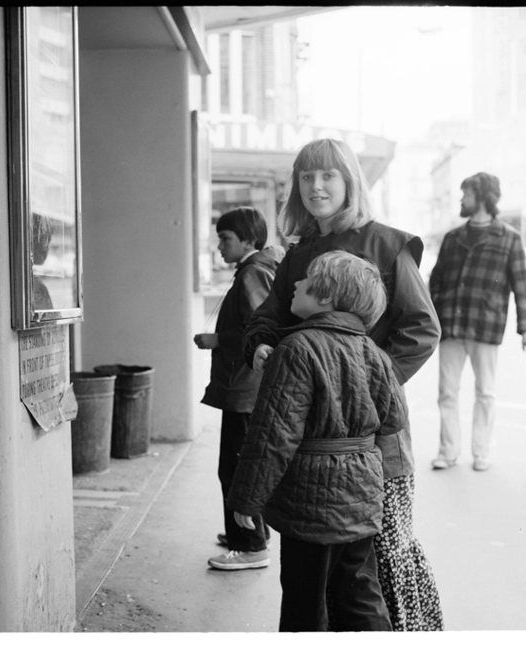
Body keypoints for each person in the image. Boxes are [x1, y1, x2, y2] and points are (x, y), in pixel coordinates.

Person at [242, 138, 443, 631]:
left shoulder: (389, 244)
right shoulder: (298, 254)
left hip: (376, 444)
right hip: (307, 447)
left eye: (328, 175)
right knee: (314, 584)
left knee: (377, 576)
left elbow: (422, 330)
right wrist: (261, 345)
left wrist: (362, 386)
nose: (316, 186)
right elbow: (266, 318)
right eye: (306, 177)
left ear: (351, 181)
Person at [228, 251, 406, 631]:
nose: (294, 284)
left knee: (304, 601)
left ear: (326, 296)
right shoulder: (374, 353)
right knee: (358, 594)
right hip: (361, 498)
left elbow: (273, 436)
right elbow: (393, 420)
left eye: (306, 280)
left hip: (309, 503)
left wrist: (246, 498)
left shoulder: (297, 348)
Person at [429, 172, 526, 472]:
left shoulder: (509, 238)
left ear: (482, 197)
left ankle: (480, 452)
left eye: (466, 194)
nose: (461, 199)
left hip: (486, 325)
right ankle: (448, 451)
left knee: (485, 393)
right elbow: (435, 280)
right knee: (447, 393)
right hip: (450, 325)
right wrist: (436, 310)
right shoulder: (452, 237)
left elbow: (522, 288)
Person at [194, 207, 284, 570]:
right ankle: (247, 533)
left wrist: (218, 339)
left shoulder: (252, 274)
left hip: (245, 389)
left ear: (248, 240)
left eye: (225, 239)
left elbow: (261, 333)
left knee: (235, 469)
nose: (219, 246)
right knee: (241, 464)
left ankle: (249, 546)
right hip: (246, 388)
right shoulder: (255, 269)